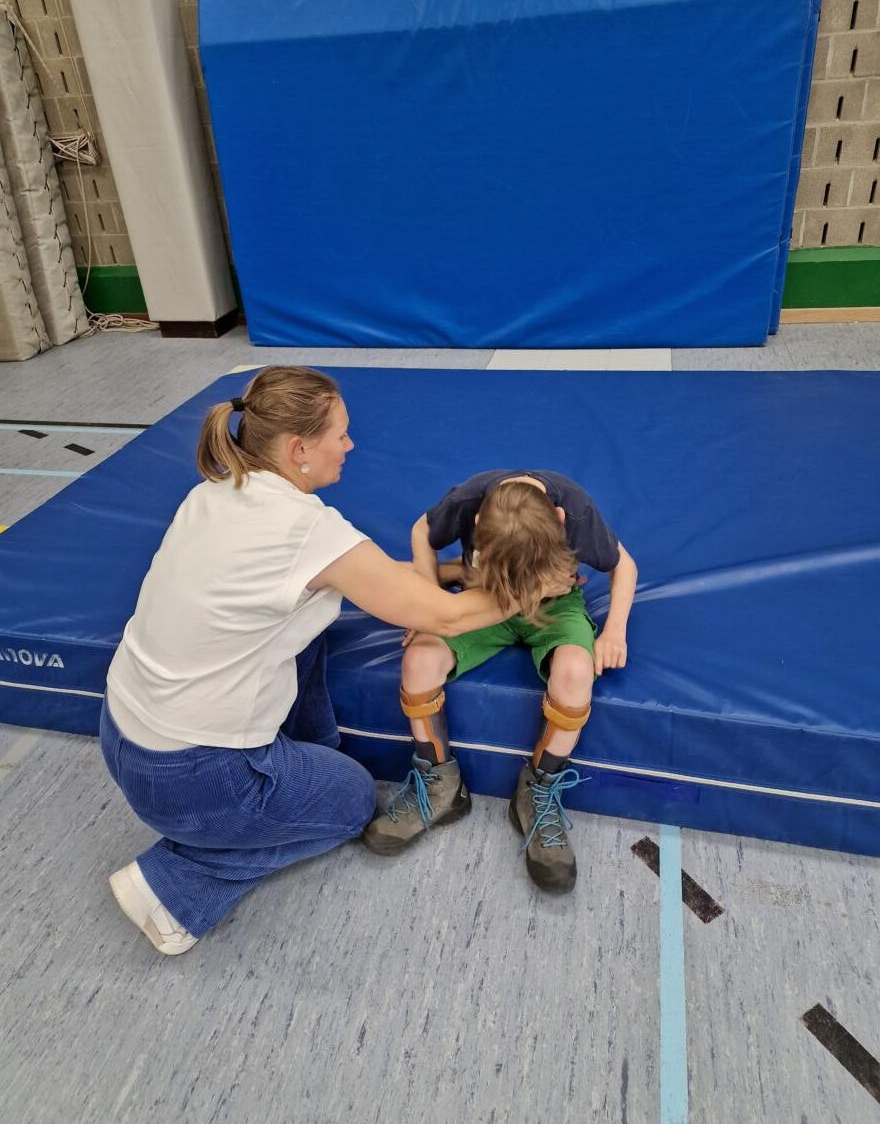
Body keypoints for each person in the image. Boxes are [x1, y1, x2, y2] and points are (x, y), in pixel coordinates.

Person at [101, 367, 512, 954]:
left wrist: (451, 572)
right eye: (340, 434)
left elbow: (365, 575)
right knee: (353, 802)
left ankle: (302, 765)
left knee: (312, 618)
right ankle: (177, 882)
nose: (350, 445)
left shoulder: (216, 489)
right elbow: (443, 618)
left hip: (122, 731)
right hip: (190, 777)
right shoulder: (303, 529)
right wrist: (528, 592)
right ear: (298, 449)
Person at [362, 471, 637, 893]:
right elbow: (421, 530)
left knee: (576, 671)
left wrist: (614, 630)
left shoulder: (577, 510)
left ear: (560, 520)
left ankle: (539, 789)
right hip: (489, 596)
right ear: (478, 526)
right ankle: (440, 785)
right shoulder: (468, 500)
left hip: (552, 605)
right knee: (419, 660)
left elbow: (624, 565)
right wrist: (428, 599)